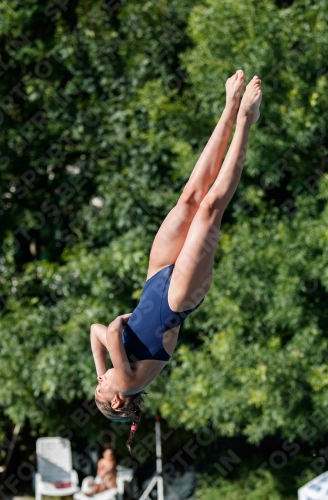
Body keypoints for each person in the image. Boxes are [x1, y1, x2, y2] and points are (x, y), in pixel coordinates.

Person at [91, 70, 262, 455]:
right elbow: (112, 330)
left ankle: (229, 105)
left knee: (190, 196)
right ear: (118, 401)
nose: (100, 380)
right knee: (209, 209)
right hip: (177, 298)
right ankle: (246, 119)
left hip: (156, 278)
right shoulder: (130, 382)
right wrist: (111, 359)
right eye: (101, 388)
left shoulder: (121, 376)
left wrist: (102, 366)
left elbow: (93, 330)